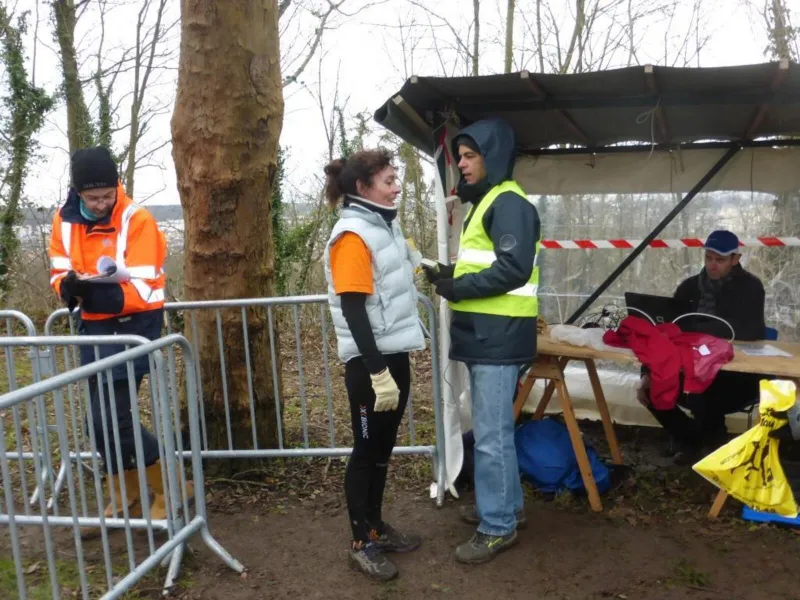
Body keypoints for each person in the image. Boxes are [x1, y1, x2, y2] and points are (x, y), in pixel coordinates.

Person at [424, 117, 541, 564]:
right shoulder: (490, 200)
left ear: (493, 157)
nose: (462, 164)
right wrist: (450, 274)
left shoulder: (507, 202)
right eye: (460, 157)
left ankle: (497, 526)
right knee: (496, 434)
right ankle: (507, 509)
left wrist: (458, 287)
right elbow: (487, 265)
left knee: (491, 437)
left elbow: (513, 269)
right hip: (489, 335)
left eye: (470, 156)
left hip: (498, 338)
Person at [49, 147, 181, 534]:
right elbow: (59, 268)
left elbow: (147, 285)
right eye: (93, 198)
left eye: (108, 194)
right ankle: (124, 495)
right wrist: (67, 288)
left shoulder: (136, 219)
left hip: (133, 325)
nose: (102, 203)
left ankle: (172, 488)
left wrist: (93, 295)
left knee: (114, 417)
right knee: (96, 423)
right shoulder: (63, 220)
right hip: (93, 326)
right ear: (77, 193)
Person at [323, 148, 426, 581]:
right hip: (370, 364)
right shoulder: (352, 237)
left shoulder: (385, 225)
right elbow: (352, 309)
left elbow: (405, 270)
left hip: (394, 352)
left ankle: (376, 527)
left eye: (395, 178)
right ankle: (359, 542)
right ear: (362, 188)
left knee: (383, 449)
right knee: (366, 451)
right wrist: (377, 370)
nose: (397, 187)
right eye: (388, 181)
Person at [637, 230, 766, 465]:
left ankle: (713, 445)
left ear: (735, 259)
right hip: (691, 367)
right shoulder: (688, 288)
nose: (712, 265)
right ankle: (691, 440)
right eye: (709, 258)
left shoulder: (751, 288)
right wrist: (647, 371)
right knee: (650, 389)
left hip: (735, 376)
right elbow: (666, 332)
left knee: (701, 389)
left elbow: (751, 331)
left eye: (720, 260)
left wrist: (695, 331)